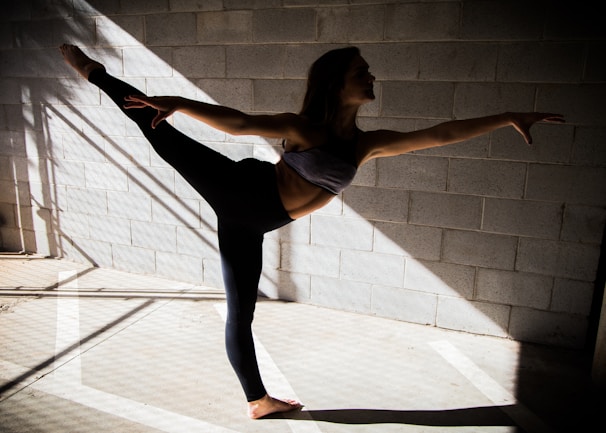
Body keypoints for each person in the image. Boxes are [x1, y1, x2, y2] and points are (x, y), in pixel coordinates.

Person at [59, 43, 564, 419]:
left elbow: (438, 134)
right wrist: (182, 103)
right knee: (157, 126)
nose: (372, 77)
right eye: (361, 72)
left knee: (241, 313)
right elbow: (239, 123)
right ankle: (95, 72)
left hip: (255, 221)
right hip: (241, 191)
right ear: (337, 83)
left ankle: (258, 402)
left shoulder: (365, 143)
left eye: (368, 70)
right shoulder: (306, 128)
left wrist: (506, 117)